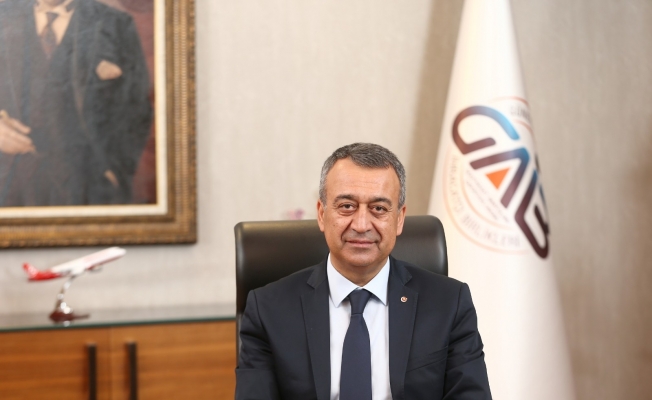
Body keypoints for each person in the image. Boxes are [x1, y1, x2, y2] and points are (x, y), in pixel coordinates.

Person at [236, 143, 492, 399]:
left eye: (378, 208)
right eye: (347, 206)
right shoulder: (268, 310)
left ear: (399, 219)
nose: (361, 225)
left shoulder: (449, 303)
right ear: (322, 214)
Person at [0, 0, 152, 206]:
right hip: (9, 181)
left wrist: (114, 170)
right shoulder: (4, 17)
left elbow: (138, 106)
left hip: (88, 184)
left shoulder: (116, 24)